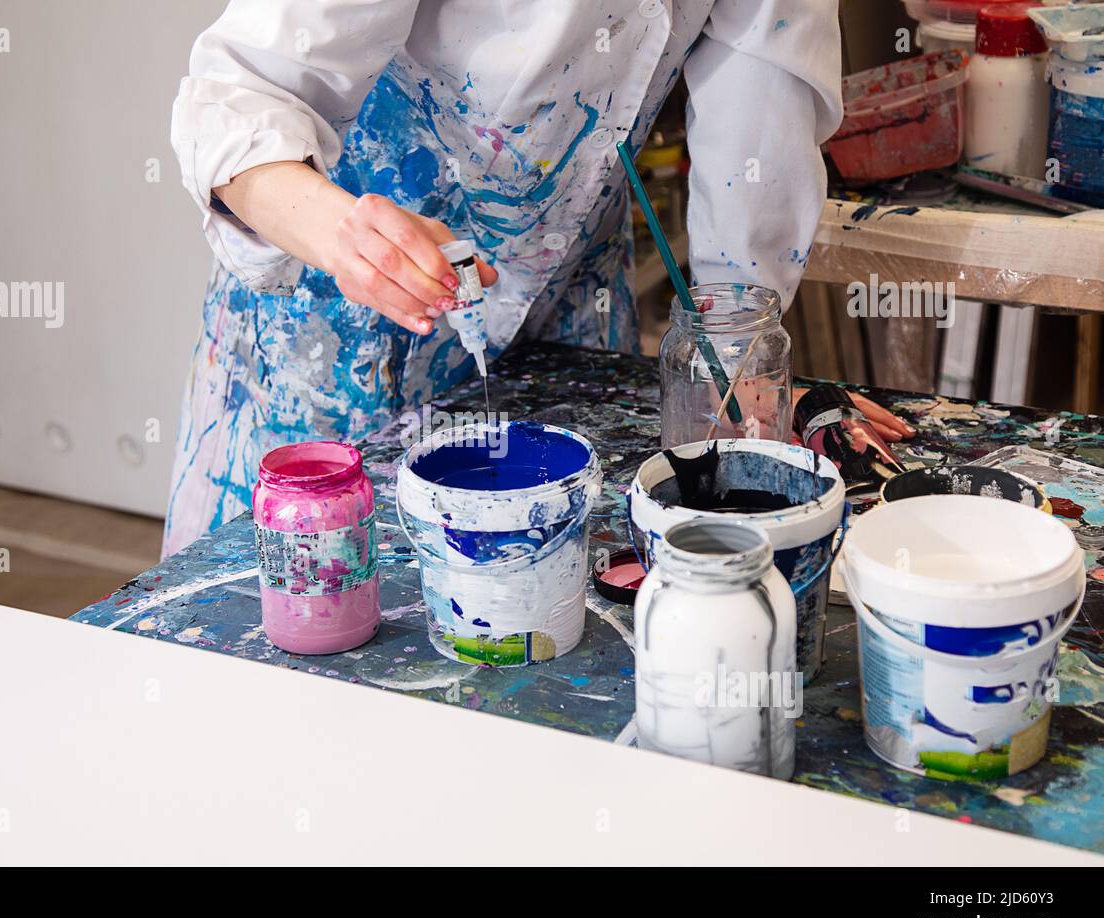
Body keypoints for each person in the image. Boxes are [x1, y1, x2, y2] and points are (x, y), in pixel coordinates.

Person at [164, 0, 912, 555]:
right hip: (341, 313)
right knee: (318, 634)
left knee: (543, 631)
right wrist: (345, 235)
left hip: (566, 315)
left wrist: (742, 367)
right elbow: (241, 97)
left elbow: (761, 121)